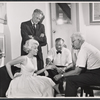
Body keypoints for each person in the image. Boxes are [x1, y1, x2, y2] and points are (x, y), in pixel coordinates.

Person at [54, 32, 100, 97]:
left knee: (70, 80)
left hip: (97, 75)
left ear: (79, 40)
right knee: (78, 74)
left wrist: (61, 75)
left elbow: (77, 72)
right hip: (94, 72)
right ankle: (89, 96)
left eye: (73, 41)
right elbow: (75, 64)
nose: (72, 44)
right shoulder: (85, 46)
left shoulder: (84, 49)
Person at [20, 9, 47, 74]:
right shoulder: (24, 24)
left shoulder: (41, 26)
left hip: (38, 53)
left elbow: (44, 41)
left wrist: (33, 37)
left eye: (39, 19)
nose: (38, 20)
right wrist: (39, 38)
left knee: (40, 72)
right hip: (27, 52)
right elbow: (25, 38)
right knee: (28, 72)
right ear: (32, 15)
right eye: (37, 18)